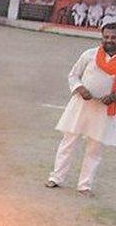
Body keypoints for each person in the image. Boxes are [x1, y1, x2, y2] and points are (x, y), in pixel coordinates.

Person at [46, 24, 116, 198]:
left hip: (104, 110)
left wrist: (114, 97)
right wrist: (80, 88)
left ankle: (84, 185)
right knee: (68, 142)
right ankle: (56, 177)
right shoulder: (89, 55)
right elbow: (73, 75)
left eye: (113, 37)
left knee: (94, 148)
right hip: (81, 105)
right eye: (106, 37)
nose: (109, 40)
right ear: (102, 37)